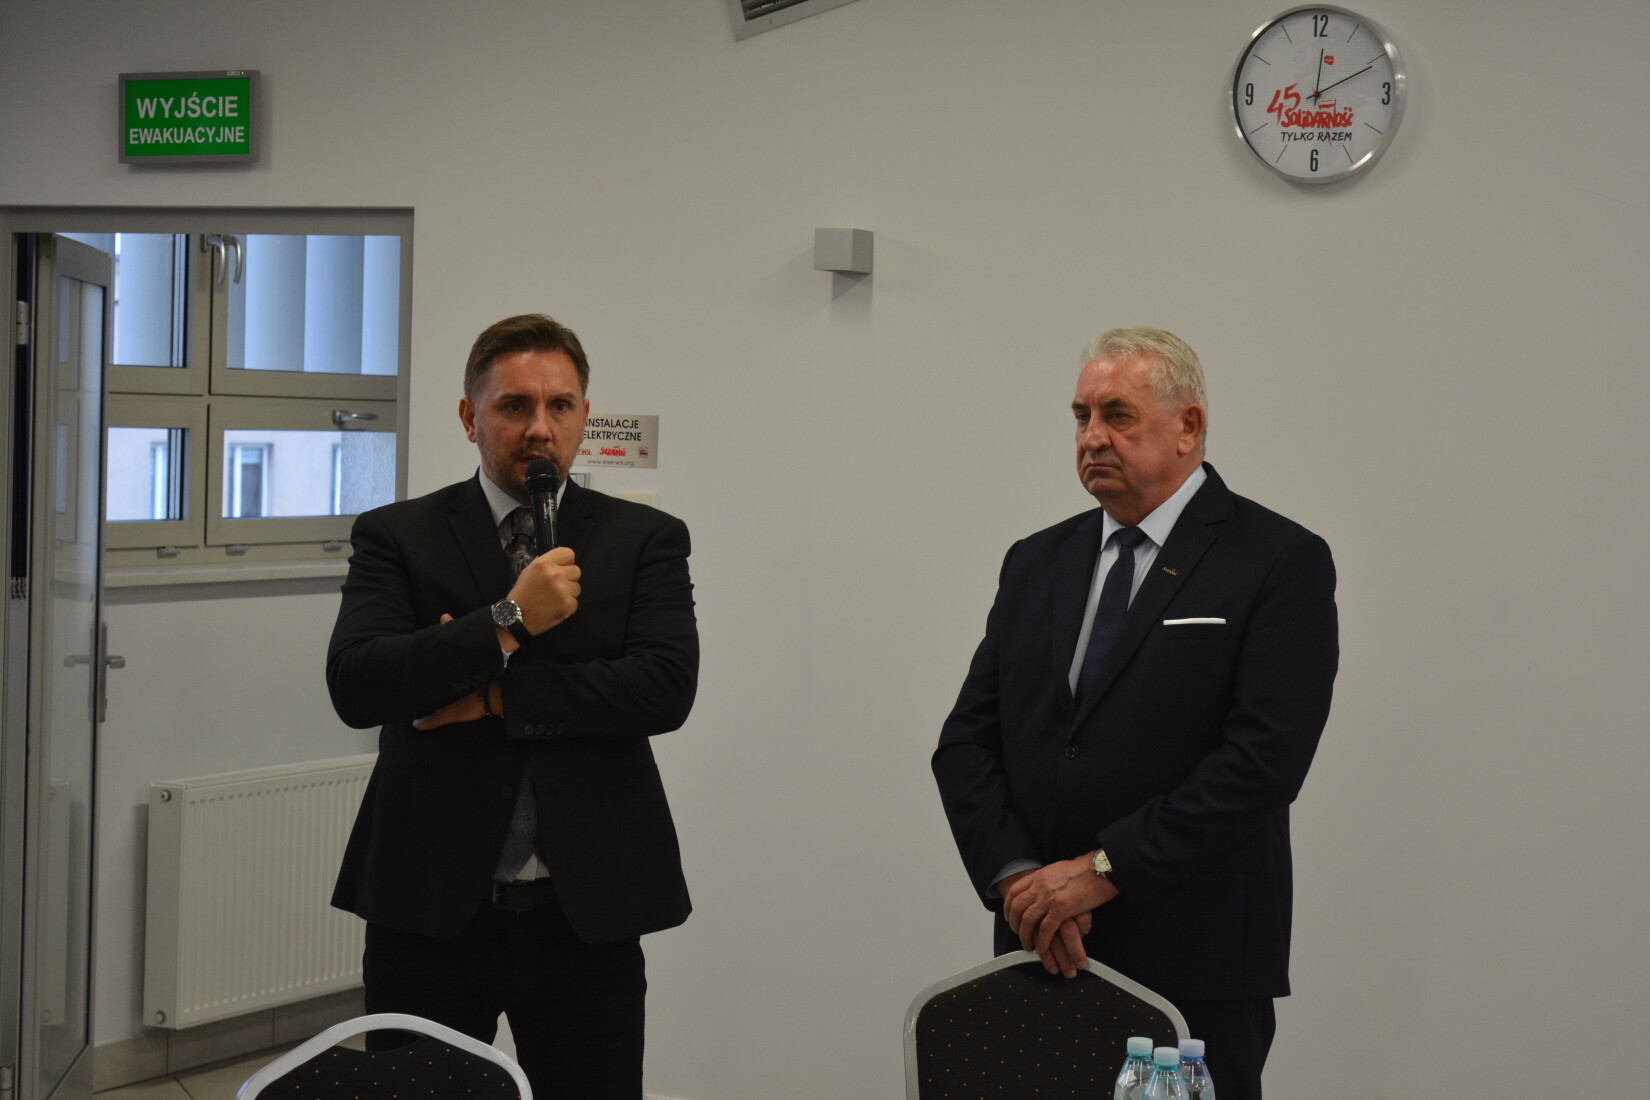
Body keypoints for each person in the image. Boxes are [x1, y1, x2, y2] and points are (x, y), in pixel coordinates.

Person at [932, 327, 1337, 1100]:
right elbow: (966, 744)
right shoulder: (1036, 561)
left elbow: (1263, 761)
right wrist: (1021, 882)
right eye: (1081, 416)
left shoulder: (1276, 560)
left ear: (1188, 426)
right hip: (1044, 946)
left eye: (1117, 415)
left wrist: (1104, 871)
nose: (1091, 437)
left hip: (1193, 959)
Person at [326, 313, 698, 1100]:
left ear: (584, 416)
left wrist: (491, 693)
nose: (539, 427)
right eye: (514, 406)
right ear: (470, 417)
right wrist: (510, 618)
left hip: (585, 912)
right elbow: (359, 683)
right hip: (429, 908)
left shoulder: (645, 539)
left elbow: (664, 687)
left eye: (560, 406)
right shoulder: (398, 535)